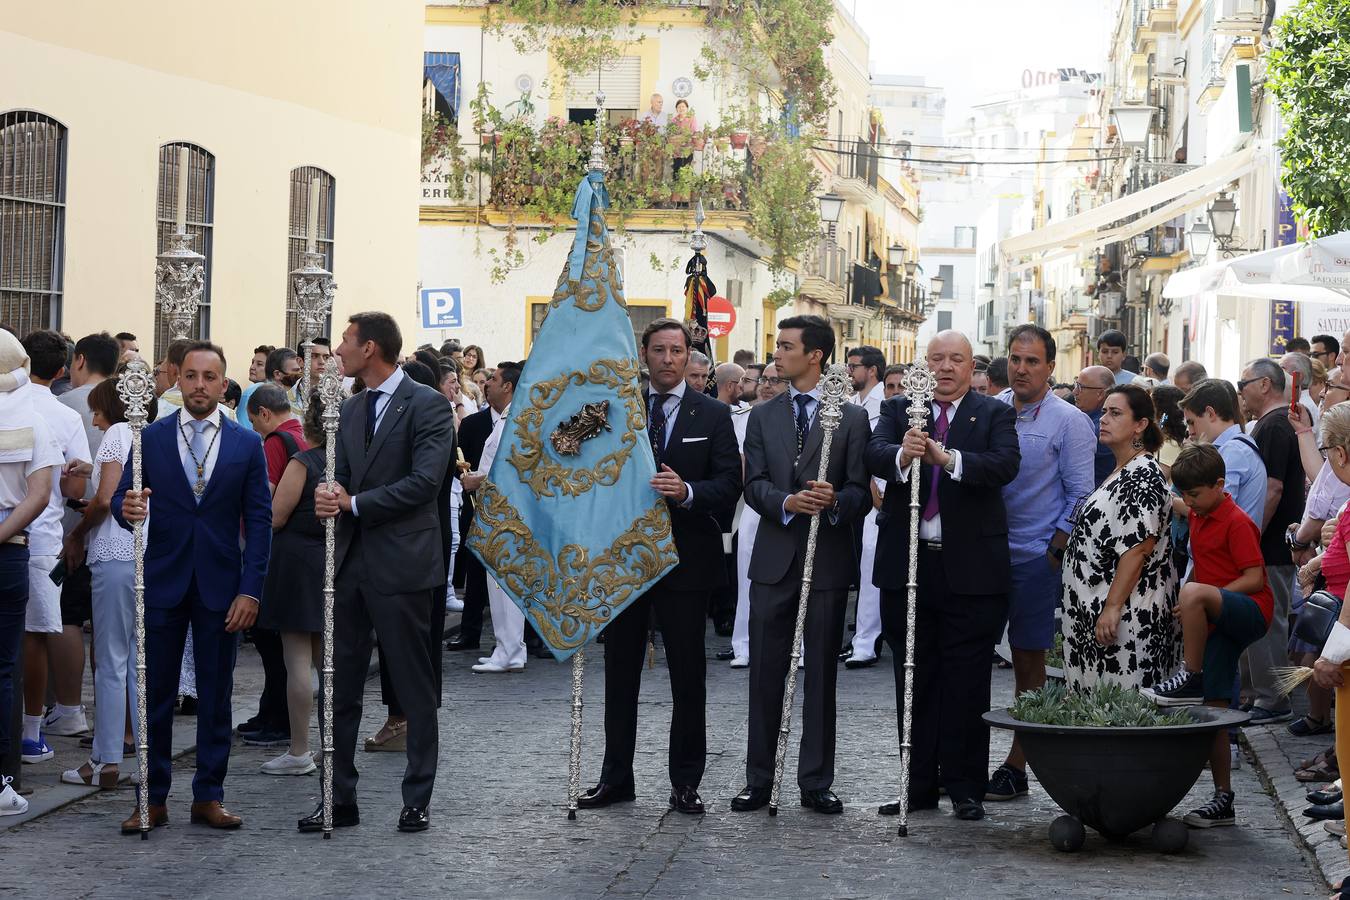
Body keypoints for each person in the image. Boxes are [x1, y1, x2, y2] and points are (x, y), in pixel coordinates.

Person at [579, 319, 741, 816]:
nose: (669, 359)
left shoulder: (712, 414)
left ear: (690, 356)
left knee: (687, 677)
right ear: (644, 355)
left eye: (677, 350)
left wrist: (687, 492)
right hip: (623, 561)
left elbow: (730, 484)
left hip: (686, 562)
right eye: (659, 350)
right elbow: (573, 459)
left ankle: (686, 782)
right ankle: (615, 778)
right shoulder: (613, 410)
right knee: (619, 674)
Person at [305, 312, 455, 835]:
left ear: (370, 348)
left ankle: (417, 798)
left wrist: (355, 502)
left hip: (404, 564)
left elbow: (425, 482)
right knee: (338, 688)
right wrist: (329, 494)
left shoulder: (428, 405)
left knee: (413, 688)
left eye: (345, 340)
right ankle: (337, 795)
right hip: (349, 565)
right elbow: (341, 474)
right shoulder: (349, 409)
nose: (338, 350)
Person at [112, 341, 272, 833]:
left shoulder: (246, 444)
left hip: (222, 587)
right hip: (163, 579)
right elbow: (122, 501)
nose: (199, 385)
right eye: (191, 376)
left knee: (216, 692)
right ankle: (151, 797)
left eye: (209, 377)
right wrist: (128, 510)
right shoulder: (150, 439)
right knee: (154, 694)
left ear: (224, 385)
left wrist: (251, 590)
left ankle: (209, 794)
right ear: (177, 381)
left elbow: (260, 522)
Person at [867, 330, 1020, 821]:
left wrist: (947, 459)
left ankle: (965, 786)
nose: (946, 368)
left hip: (972, 570)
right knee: (912, 675)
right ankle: (916, 786)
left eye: (956, 360)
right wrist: (902, 455)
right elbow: (872, 454)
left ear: (972, 366)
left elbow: (1003, 465)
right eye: (937, 359)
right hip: (908, 565)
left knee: (967, 681)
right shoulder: (899, 410)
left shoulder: (993, 412)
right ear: (923, 363)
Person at [733, 315, 871, 816]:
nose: (777, 354)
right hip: (774, 559)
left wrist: (835, 500)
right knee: (765, 674)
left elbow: (860, 491)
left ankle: (815, 780)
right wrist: (787, 503)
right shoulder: (763, 415)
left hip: (827, 563)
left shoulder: (851, 418)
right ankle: (759, 779)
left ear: (815, 355)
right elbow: (753, 485)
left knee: (820, 680)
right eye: (777, 345)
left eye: (787, 346)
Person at [986, 325, 1095, 804]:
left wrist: (1054, 549)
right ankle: (963, 758)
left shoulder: (1069, 421)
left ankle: (1018, 761)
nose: (1022, 368)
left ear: (1051, 367)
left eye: (1032, 361)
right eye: (1015, 358)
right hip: (983, 553)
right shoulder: (989, 409)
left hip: (1035, 557)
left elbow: (1081, 493)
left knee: (1029, 660)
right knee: (970, 655)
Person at [1142, 443, 1271, 828]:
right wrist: (1199, 601)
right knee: (1215, 710)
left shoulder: (1237, 521)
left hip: (1251, 610)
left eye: (1195, 495)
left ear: (1219, 485)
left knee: (1193, 591)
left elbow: (1255, 579)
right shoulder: (1199, 511)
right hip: (1218, 613)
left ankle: (1190, 676)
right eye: (1185, 495)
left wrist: (1205, 596)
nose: (1189, 503)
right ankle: (1223, 800)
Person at [60, 376, 158, 789]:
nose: (94, 420)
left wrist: (78, 534)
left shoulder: (119, 432)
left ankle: (105, 760)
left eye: (98, 410)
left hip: (115, 553)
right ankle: (140, 757)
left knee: (112, 660)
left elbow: (105, 499)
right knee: (133, 658)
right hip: (137, 553)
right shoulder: (141, 433)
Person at [1060, 384, 1179, 692]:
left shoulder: (1144, 474)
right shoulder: (1122, 469)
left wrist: (1112, 607)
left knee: (1122, 708)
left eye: (1115, 413)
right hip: (1095, 612)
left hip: (1128, 616)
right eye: (1104, 412)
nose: (1104, 419)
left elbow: (1138, 549)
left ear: (1140, 425)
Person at [18, 330, 91, 763]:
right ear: (62, 370)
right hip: (42, 535)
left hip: (17, 528)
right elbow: (76, 483)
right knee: (34, 637)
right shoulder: (63, 416)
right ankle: (29, 731)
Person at [0, 333, 61, 817]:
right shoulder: (33, 420)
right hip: (11, 549)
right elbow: (39, 495)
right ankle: (3, 779)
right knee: (5, 668)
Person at [256, 393, 329, 776]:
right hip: (331, 562)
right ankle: (331, 743)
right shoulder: (349, 463)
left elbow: (276, 515)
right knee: (326, 662)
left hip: (298, 562)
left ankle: (300, 749)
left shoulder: (304, 461)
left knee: (297, 659)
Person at [1237, 357, 1304, 724]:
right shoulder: (1272, 424)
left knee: (1268, 621)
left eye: (1243, 382)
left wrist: (1248, 536)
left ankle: (1273, 699)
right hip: (1270, 541)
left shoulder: (1276, 426)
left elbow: (1273, 488)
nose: (1240, 390)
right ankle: (1257, 694)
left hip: (1271, 543)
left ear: (1264, 384)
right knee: (1259, 619)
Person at [462, 363, 529, 674]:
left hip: (507, 513)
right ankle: (506, 647)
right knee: (499, 584)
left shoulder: (514, 420)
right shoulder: (505, 419)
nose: (487, 384)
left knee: (506, 585)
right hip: (496, 512)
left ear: (509, 387)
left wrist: (479, 481)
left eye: (494, 379)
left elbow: (514, 469)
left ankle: (512, 648)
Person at [725, 362, 786, 669]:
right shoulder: (743, 418)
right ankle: (744, 645)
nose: (767, 385)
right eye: (764, 380)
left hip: (789, 504)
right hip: (753, 504)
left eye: (775, 381)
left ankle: (794, 645)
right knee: (747, 575)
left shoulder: (796, 419)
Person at [844, 345, 887, 669]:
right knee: (861, 569)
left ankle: (867, 642)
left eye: (854, 366)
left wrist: (874, 487)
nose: (849, 371)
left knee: (872, 570)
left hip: (878, 496)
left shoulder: (882, 402)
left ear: (871, 370)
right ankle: (861, 635)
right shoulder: (854, 402)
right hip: (857, 494)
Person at [1178, 380, 1266, 525]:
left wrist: (1171, 500)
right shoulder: (1233, 447)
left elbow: (1215, 510)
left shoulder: (1233, 451)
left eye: (1192, 422)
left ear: (1210, 413)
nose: (1191, 432)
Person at [1073, 364, 1116, 486]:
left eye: (1080, 387)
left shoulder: (1099, 428)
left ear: (1100, 394)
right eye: (1075, 385)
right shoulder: (1087, 420)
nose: (1075, 392)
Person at [236, 344, 276, 434]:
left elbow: (243, 428)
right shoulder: (279, 391)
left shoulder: (253, 391)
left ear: (271, 369)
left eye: (259, 364)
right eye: (252, 362)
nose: (252, 367)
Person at [1152, 385, 1188, 477]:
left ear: (1161, 414)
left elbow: (1154, 483)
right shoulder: (1170, 442)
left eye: (1150, 407)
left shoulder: (1169, 447)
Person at [1280, 350, 1320, 429]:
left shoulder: (1303, 406)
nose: (1278, 373)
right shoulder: (1299, 402)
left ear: (1298, 377)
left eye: (1282, 369)